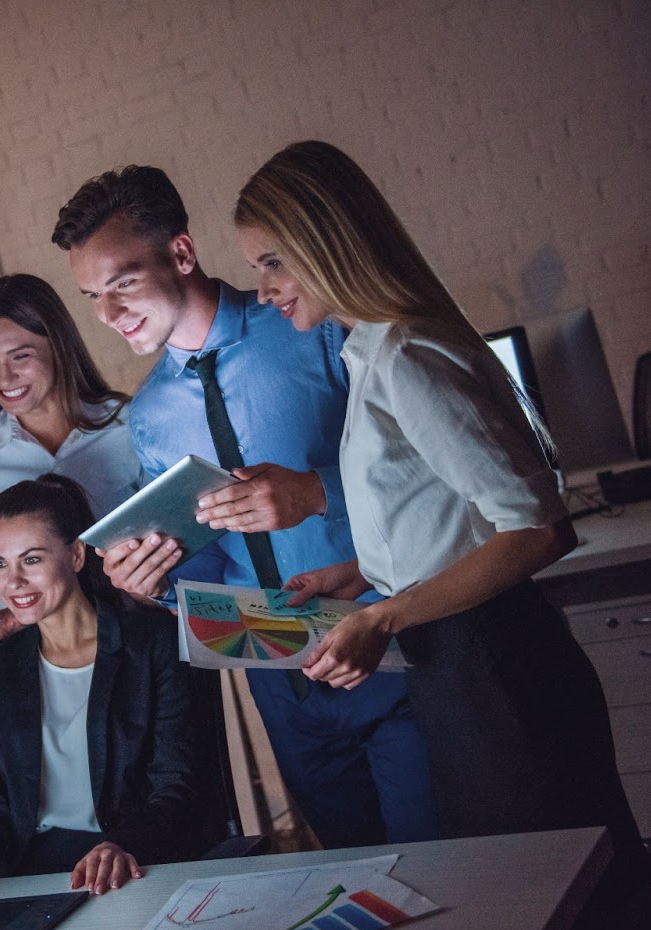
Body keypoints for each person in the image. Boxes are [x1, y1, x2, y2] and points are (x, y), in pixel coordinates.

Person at [234, 138, 651, 930]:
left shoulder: (408, 351)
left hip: (499, 676)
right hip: (464, 672)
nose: (263, 288)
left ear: (326, 242)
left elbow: (538, 528)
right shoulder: (374, 347)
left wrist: (384, 615)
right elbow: (445, 511)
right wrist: (362, 580)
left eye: (272, 262)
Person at [46, 165, 436, 849]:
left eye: (123, 283)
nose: (107, 316)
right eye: (91, 298)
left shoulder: (311, 326)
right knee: (366, 887)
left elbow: (426, 465)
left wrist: (316, 492)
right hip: (280, 676)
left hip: (390, 637)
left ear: (182, 254)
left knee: (449, 871)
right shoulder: (149, 419)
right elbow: (215, 568)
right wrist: (161, 586)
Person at [0, 475, 220, 899]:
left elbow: (179, 785)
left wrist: (121, 845)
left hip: (137, 863)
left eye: (32, 560)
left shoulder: (154, 644)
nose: (13, 582)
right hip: (32, 873)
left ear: (76, 555)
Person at [0, 274, 143, 613]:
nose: (4, 378)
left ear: (58, 347)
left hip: (148, 624)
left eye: (20, 356)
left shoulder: (131, 423)